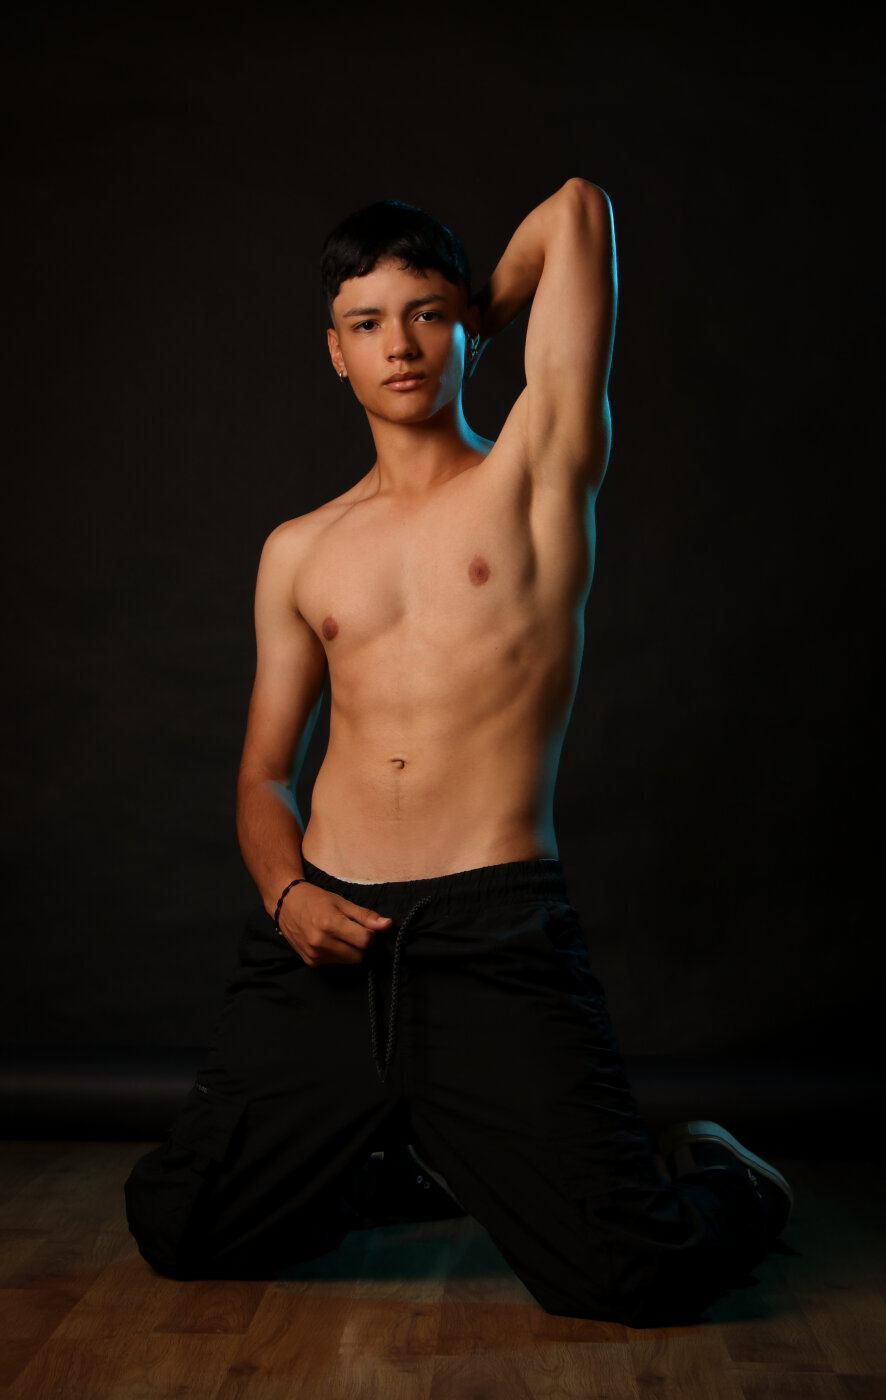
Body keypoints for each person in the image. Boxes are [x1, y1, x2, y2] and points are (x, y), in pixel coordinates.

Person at [124, 180, 791, 1324]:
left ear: (465, 330)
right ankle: (415, 1161)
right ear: (333, 350)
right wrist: (285, 893)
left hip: (491, 933)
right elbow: (263, 773)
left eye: (424, 315)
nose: (399, 344)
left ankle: (729, 1175)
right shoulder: (298, 549)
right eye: (368, 322)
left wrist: (476, 307)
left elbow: (576, 213)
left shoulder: (533, 473)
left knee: (635, 1273)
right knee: (184, 1228)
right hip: (325, 930)